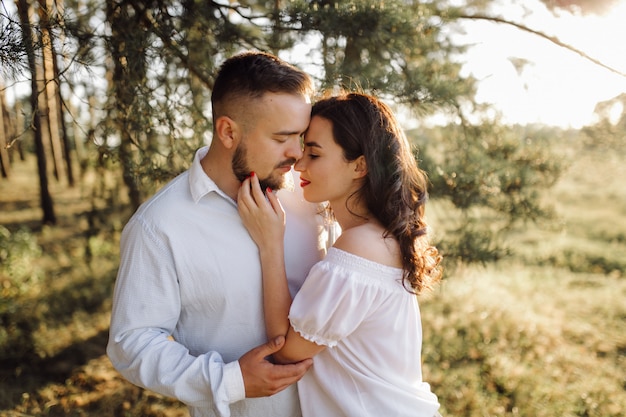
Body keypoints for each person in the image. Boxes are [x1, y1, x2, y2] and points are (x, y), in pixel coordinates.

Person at [107, 51, 333, 417]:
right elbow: (131, 342)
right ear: (228, 131)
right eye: (282, 138)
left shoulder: (313, 194)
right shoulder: (159, 225)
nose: (297, 153)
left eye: (301, 136)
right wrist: (230, 381)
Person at [237, 92, 443, 416]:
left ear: (360, 165)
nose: (299, 164)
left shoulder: (360, 247)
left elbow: (287, 351)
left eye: (314, 154)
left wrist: (270, 244)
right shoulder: (378, 236)